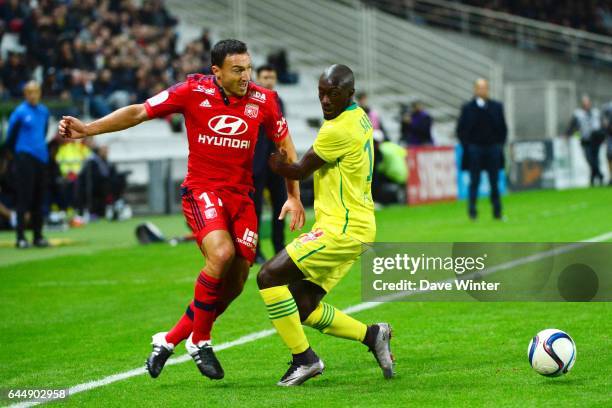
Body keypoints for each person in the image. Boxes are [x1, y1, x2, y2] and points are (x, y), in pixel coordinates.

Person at [58, 39, 305, 381]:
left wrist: (293, 195)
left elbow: (286, 147)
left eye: (248, 68)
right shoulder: (191, 91)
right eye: (237, 70)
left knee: (234, 284)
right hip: (202, 190)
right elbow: (139, 111)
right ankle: (200, 340)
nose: (246, 76)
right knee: (221, 254)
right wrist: (89, 129)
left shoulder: (265, 100)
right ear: (216, 72)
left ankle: (169, 339)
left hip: (242, 197)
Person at [256, 64, 393, 386]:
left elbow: (299, 170)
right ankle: (373, 335)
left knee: (268, 275)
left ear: (349, 93)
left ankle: (304, 360)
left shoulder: (337, 129)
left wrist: (275, 164)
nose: (325, 100)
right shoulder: (358, 116)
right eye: (321, 93)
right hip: (355, 226)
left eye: (332, 94)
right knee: (302, 304)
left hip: (341, 230)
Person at [5, 80, 50, 248]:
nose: (33, 95)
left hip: (41, 157)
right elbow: (10, 138)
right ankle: (21, 237)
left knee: (39, 198)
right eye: (29, 92)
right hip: (24, 157)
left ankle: (38, 236)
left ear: (39, 93)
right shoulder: (19, 112)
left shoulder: (44, 111)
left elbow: (44, 132)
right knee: (23, 198)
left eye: (36, 91)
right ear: (25, 94)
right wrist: (14, 157)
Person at [457, 78, 507, 220]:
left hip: (492, 148)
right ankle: (472, 211)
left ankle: (497, 211)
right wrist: (468, 147)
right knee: (474, 181)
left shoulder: (496, 107)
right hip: (475, 149)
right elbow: (461, 130)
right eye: (479, 88)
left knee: (494, 182)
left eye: (484, 88)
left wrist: (499, 145)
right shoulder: (468, 108)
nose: (482, 90)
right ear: (475, 89)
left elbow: (502, 128)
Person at [252, 65, 287, 264]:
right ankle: (255, 251)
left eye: (272, 76)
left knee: (281, 206)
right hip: (257, 165)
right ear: (257, 78)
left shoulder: (278, 100)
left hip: (276, 164)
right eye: (265, 77)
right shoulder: (251, 101)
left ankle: (279, 247)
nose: (269, 80)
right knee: (255, 210)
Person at [566, 95, 605, 186]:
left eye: (587, 103)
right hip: (586, 140)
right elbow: (572, 125)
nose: (586, 105)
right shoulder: (578, 114)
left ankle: (593, 180)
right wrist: (567, 134)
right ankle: (599, 175)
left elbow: (602, 124)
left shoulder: (596, 112)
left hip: (596, 140)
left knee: (595, 159)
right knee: (590, 159)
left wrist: (603, 134)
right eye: (584, 103)